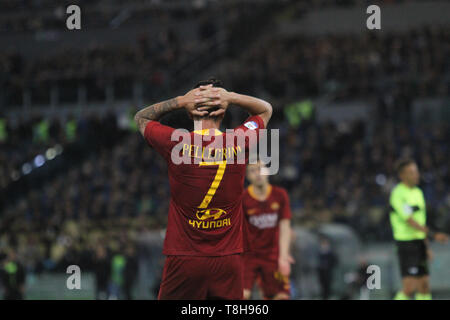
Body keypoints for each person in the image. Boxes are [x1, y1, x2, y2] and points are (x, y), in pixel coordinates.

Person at [134, 78, 272, 300]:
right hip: (228, 260)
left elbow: (140, 118)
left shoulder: (174, 142)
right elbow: (266, 110)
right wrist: (230, 97)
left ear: (190, 113)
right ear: (223, 112)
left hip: (184, 258)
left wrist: (180, 101)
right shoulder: (240, 140)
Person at [390, 159, 449, 300]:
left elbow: (421, 222)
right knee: (409, 288)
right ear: (402, 175)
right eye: (412, 172)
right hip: (406, 244)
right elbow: (410, 221)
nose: (416, 175)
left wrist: (426, 246)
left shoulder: (418, 192)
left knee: (424, 285)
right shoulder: (398, 194)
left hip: (419, 243)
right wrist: (433, 235)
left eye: (416, 171)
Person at [242, 161, 293, 300]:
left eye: (260, 169)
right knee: (241, 295)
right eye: (253, 170)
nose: (258, 173)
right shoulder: (243, 199)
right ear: (247, 176)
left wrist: (283, 257)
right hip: (249, 256)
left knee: (281, 296)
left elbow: (285, 227)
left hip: (273, 255)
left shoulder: (280, 195)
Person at [317, 236, 337, 300]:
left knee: (327, 285)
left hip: (328, 272)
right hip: (321, 271)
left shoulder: (331, 253)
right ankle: (324, 296)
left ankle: (327, 296)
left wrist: (329, 265)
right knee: (322, 284)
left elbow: (335, 261)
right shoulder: (319, 253)